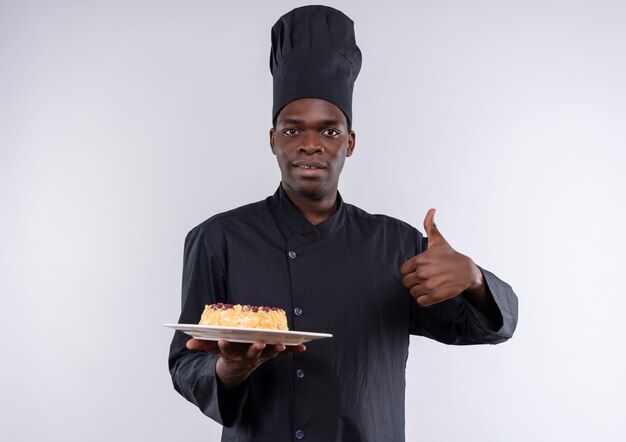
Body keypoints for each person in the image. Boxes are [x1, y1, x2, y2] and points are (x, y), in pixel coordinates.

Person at [168, 5, 518, 442]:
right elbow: (185, 363)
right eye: (293, 130)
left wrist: (473, 279)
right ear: (272, 139)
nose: (311, 145)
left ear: (349, 143)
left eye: (329, 131)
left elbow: (482, 327)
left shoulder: (397, 246)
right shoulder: (217, 239)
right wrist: (229, 368)